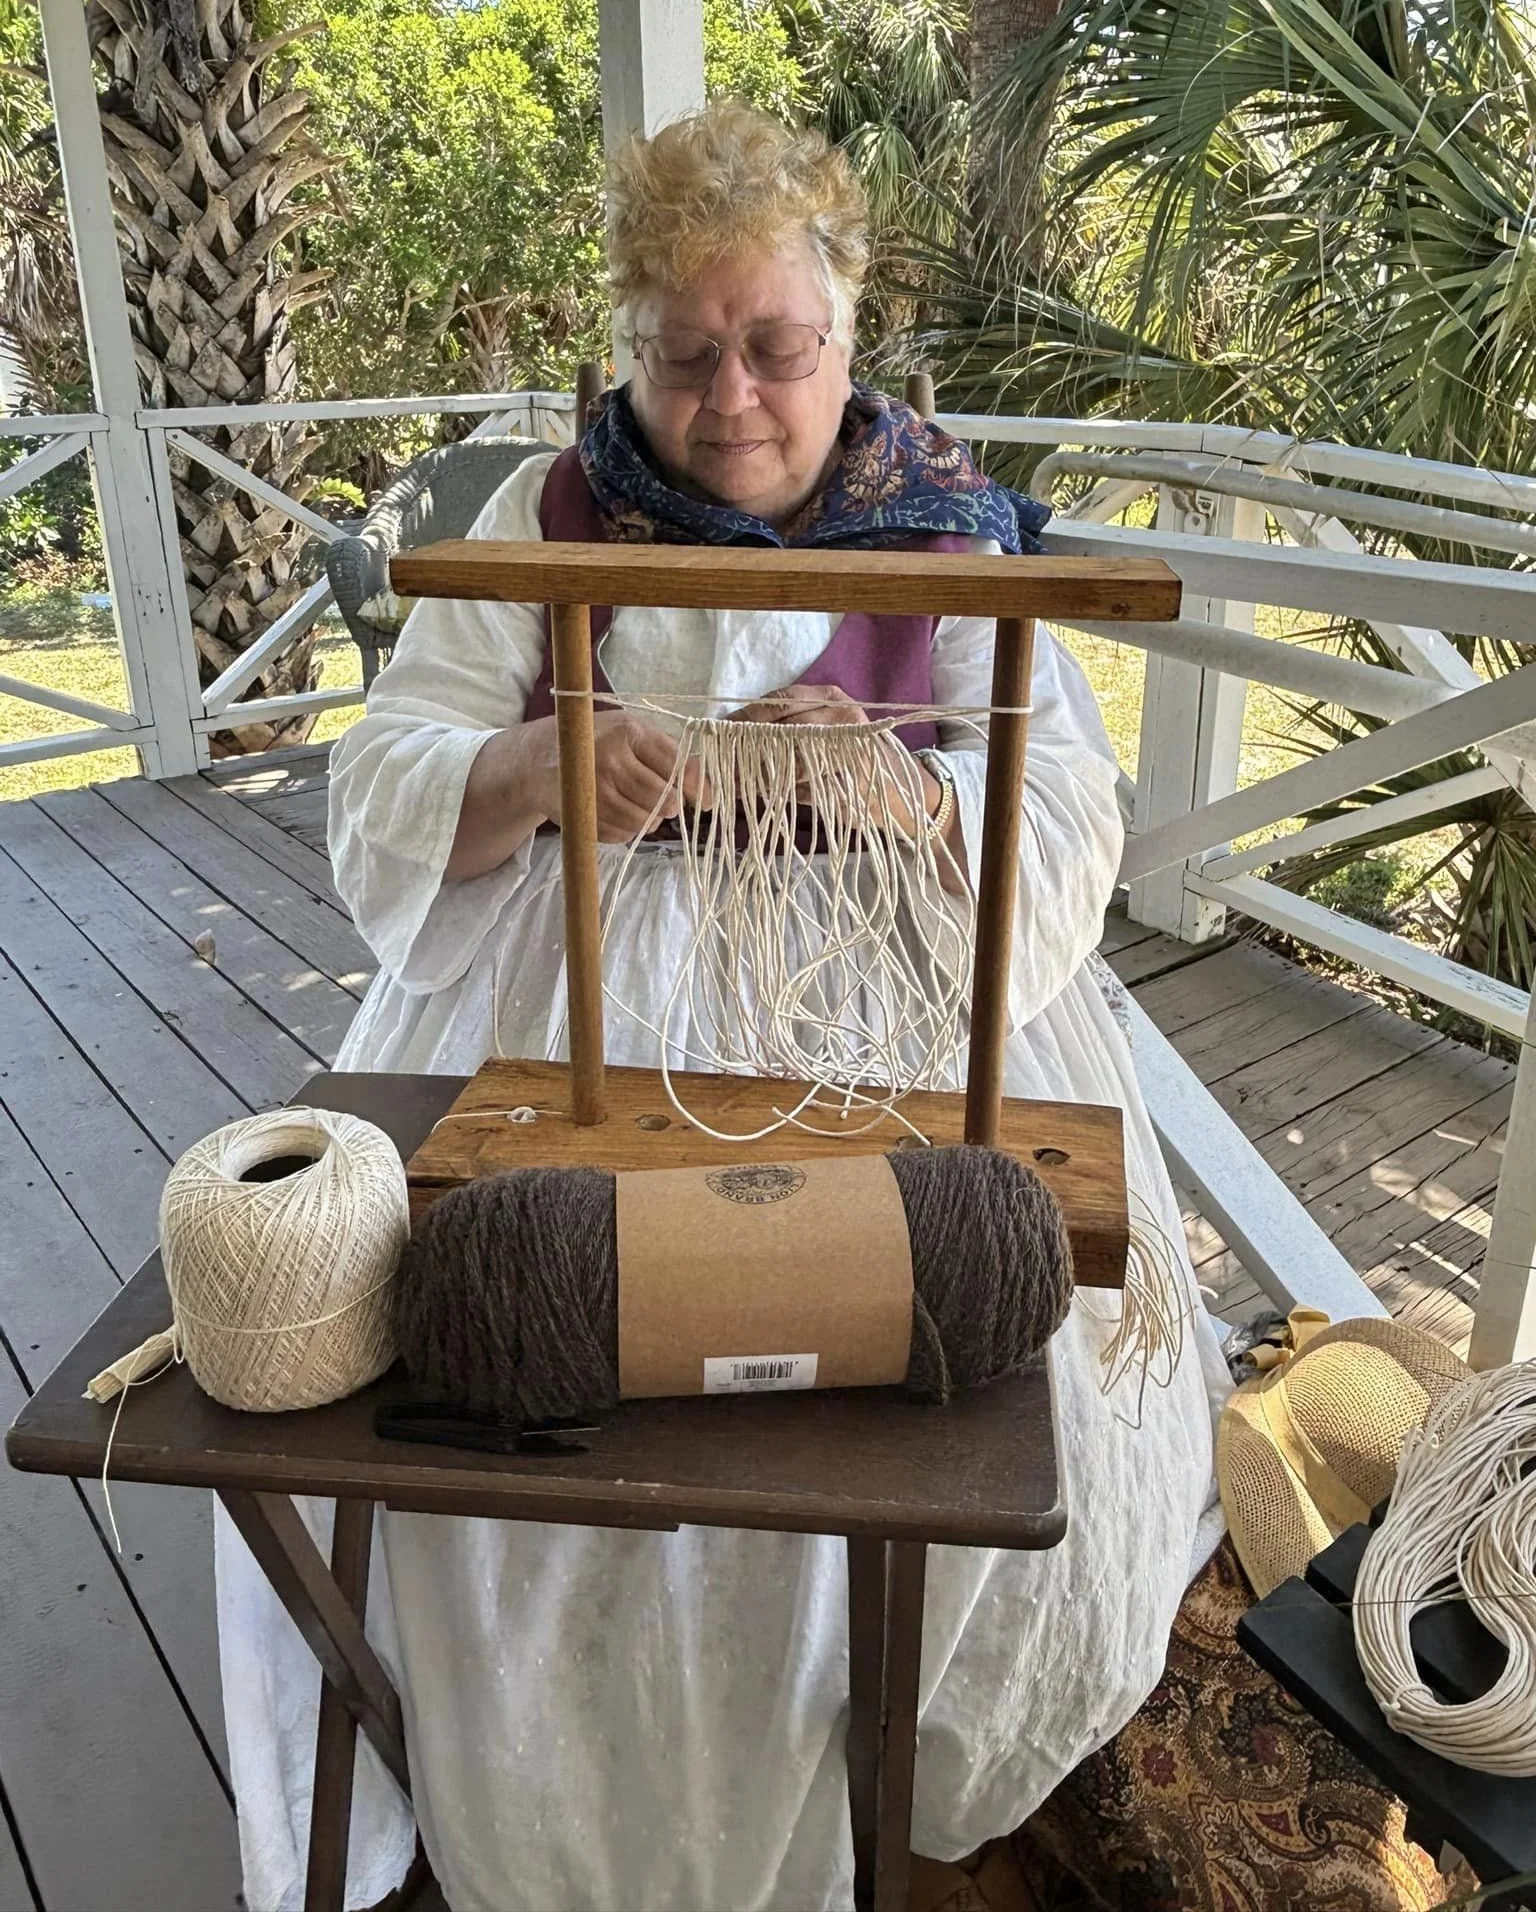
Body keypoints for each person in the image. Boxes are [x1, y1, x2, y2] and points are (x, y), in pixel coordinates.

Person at [215, 104, 1230, 1912]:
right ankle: (552, 1789)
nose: (733, 400)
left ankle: (867, 1768)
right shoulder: (551, 513)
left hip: (883, 1005)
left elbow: (1071, 819)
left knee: (908, 1389)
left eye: (777, 350)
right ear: (632, 349)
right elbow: (381, 777)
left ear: (852, 339)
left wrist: (917, 795)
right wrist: (535, 765)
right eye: (687, 357)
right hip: (572, 1004)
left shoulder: (957, 533)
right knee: (532, 1364)